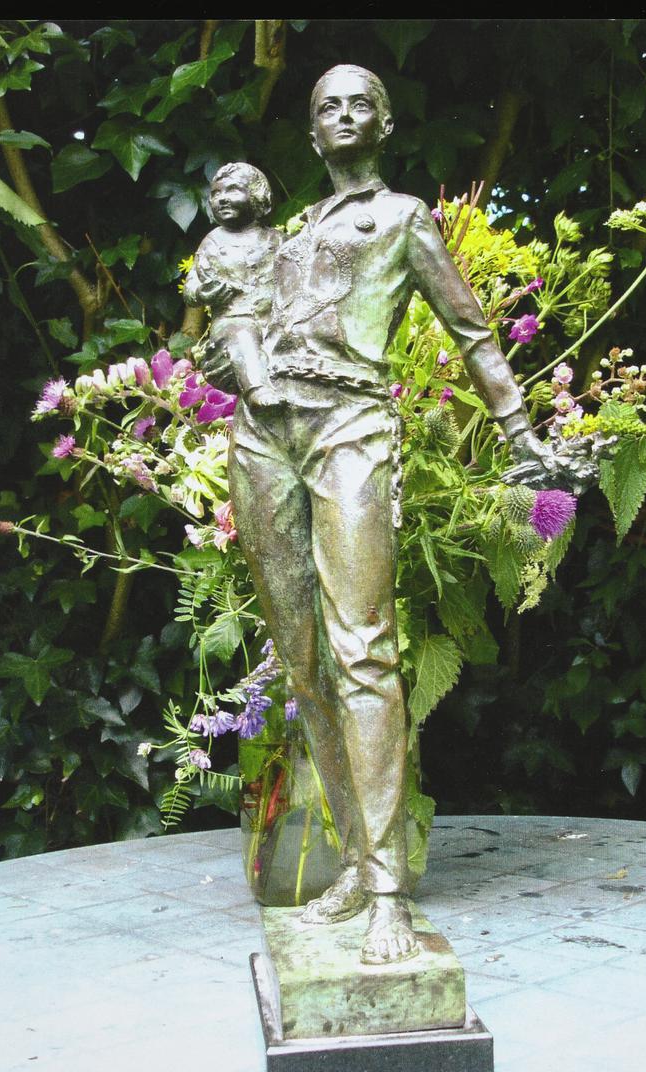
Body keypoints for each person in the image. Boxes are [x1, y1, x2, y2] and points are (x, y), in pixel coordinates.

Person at [228, 65, 559, 965]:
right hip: (262, 433)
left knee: (363, 649)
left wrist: (520, 431)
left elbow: (473, 331)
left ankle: (387, 893)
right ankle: (352, 861)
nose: (343, 115)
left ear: (384, 123)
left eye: (359, 103)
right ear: (311, 134)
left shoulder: (404, 217)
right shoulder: (291, 231)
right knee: (302, 665)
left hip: (350, 425)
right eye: (326, 107)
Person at [183, 162, 282, 409]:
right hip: (232, 320)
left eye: (233, 190)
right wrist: (203, 292)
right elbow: (191, 286)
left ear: (258, 197)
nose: (222, 199)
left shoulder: (278, 240)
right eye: (216, 193)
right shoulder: (213, 242)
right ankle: (257, 389)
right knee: (243, 336)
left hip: (275, 319)